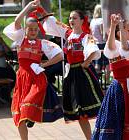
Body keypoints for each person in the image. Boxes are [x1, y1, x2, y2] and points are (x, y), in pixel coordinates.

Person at [3, 1, 63, 140]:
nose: (33, 32)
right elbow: (17, 21)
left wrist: (44, 65)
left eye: (36, 29)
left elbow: (59, 55)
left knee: (25, 107)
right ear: (25, 30)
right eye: (30, 29)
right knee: (18, 115)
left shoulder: (42, 43)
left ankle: (30, 116)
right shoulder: (20, 39)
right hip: (22, 78)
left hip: (36, 79)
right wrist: (29, 7)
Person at [43, 10, 104, 140]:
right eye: (70, 18)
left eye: (74, 18)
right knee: (79, 111)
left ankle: (103, 133)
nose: (71, 20)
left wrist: (86, 63)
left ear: (82, 20)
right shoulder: (68, 34)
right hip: (71, 75)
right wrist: (41, 10)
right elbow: (54, 23)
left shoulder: (86, 36)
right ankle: (90, 138)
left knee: (92, 107)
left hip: (83, 74)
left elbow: (94, 50)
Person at [92, 14, 129, 140]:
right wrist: (114, 25)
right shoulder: (116, 46)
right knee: (115, 121)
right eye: (128, 29)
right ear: (120, 33)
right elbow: (110, 47)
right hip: (119, 88)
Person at [90, 4, 110, 86]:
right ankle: (107, 81)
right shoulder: (102, 20)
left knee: (96, 63)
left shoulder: (92, 21)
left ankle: (96, 81)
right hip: (102, 44)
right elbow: (103, 34)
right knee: (107, 64)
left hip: (95, 44)